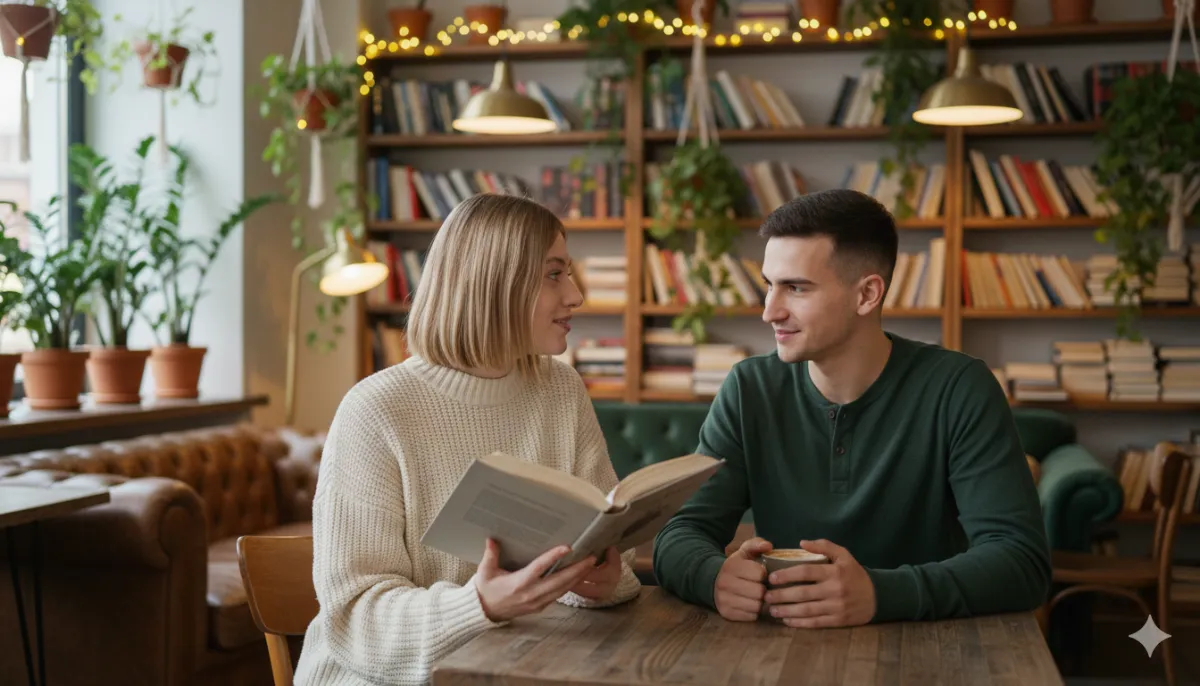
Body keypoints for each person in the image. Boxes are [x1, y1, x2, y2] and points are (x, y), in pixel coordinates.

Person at [652, 188, 1050, 628]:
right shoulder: (749, 388)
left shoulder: (959, 388)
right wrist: (714, 578)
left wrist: (879, 595)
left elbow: (1021, 564)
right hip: (780, 653)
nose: (769, 311)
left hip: (927, 650)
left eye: (795, 288)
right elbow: (680, 534)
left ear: (867, 295)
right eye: (769, 285)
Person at [294, 193, 641, 685]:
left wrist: (597, 583)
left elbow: (609, 554)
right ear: (495, 283)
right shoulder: (377, 410)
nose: (576, 295)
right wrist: (477, 605)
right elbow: (354, 620)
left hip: (522, 665)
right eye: (554, 274)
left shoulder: (561, 390)